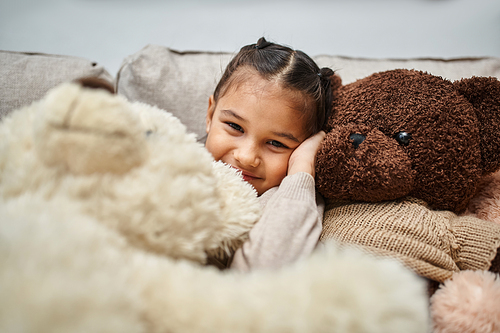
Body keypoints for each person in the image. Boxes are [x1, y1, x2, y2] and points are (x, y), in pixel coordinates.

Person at [204, 37, 334, 271]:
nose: (246, 157)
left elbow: (262, 271)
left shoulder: (290, 199)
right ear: (210, 115)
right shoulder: (175, 157)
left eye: (275, 143)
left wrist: (301, 169)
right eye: (235, 127)